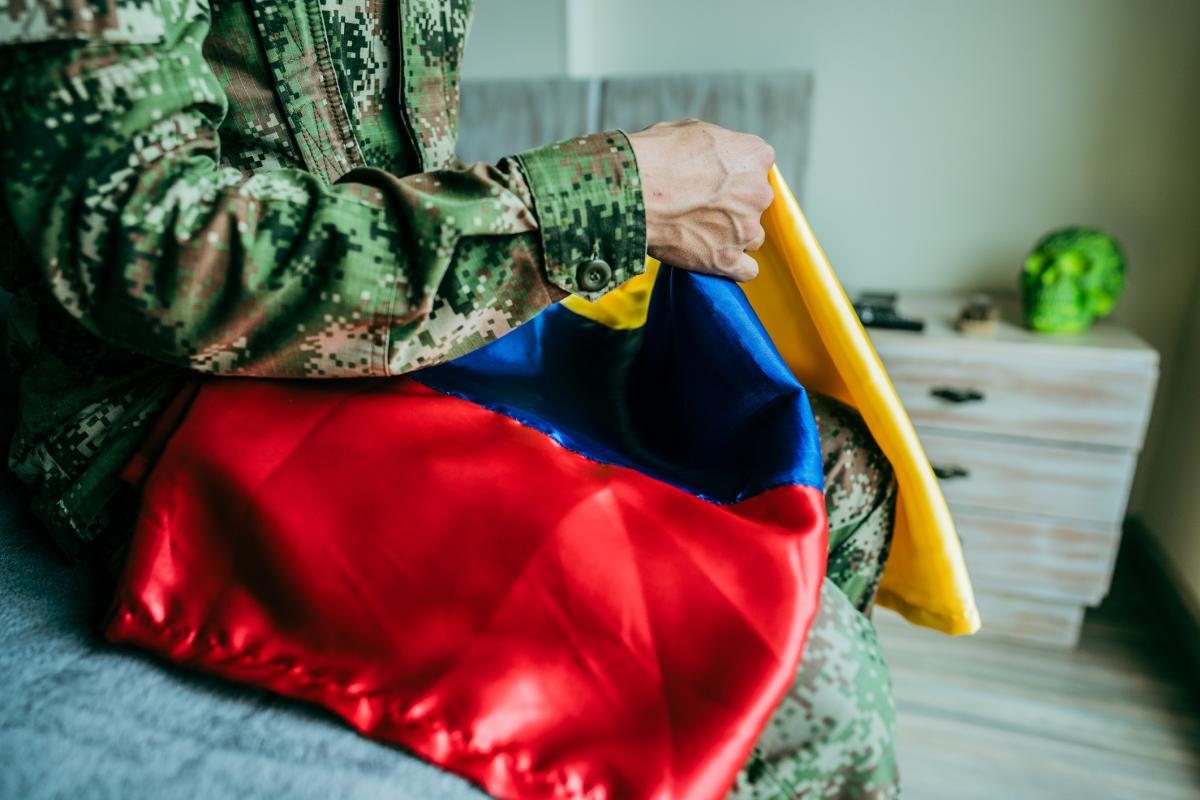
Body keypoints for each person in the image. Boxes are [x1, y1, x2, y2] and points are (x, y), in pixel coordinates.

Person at [0, 1, 898, 797]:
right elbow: (155, 249)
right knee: (809, 689)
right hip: (171, 397)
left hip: (392, 342)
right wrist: (612, 197)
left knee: (844, 474)